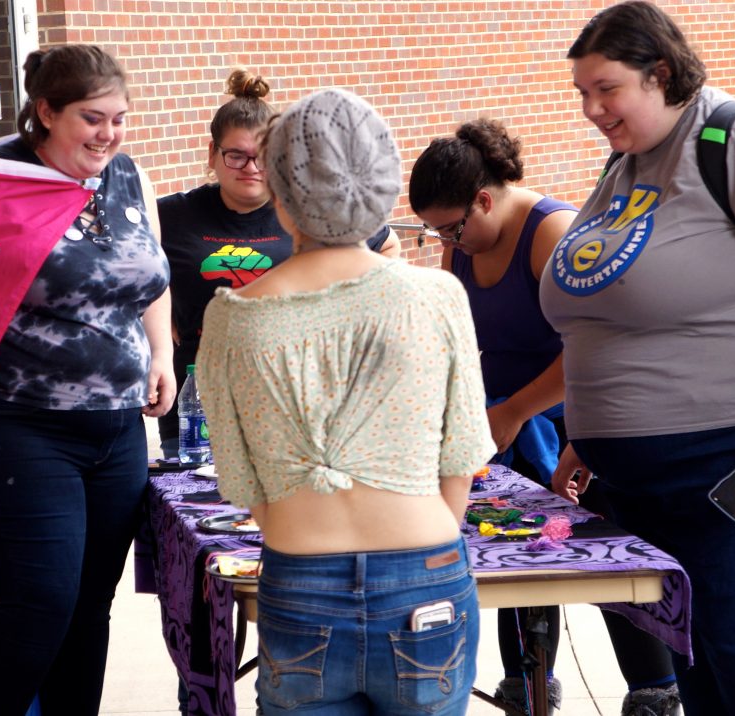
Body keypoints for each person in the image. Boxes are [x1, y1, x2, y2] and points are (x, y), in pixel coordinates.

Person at [542, 2, 735, 713]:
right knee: (692, 641)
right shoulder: (626, 161)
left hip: (730, 460)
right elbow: (610, 315)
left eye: (607, 88)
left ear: (659, 73)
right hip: (636, 475)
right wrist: (583, 438)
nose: (592, 108)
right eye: (582, 93)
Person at [197, 88, 495, 715]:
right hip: (427, 569)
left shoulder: (233, 319)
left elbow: (239, 476)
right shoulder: (437, 295)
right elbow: (464, 450)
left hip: (301, 576)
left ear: (281, 197)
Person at [0, 44, 174, 715]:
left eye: (119, 117)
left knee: (87, 608)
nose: (109, 133)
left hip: (116, 429)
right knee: (38, 604)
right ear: (46, 112)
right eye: (92, 117)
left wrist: (161, 354)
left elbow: (150, 275)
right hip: (19, 424)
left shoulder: (125, 174)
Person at [408, 118, 680, 716]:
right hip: (503, 422)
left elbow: (593, 345)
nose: (446, 241)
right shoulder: (462, 241)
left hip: (574, 422)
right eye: (433, 232)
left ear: (484, 199)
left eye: (450, 227)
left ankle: (654, 694)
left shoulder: (552, 233)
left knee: (606, 563)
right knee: (515, 562)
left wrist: (514, 412)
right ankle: (527, 688)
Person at [157, 70, 400, 459]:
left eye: (263, 157)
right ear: (212, 155)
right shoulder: (172, 215)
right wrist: (157, 312)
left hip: (293, 404)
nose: (251, 167)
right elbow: (130, 268)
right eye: (236, 155)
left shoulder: (306, 212)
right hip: (198, 408)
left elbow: (386, 245)